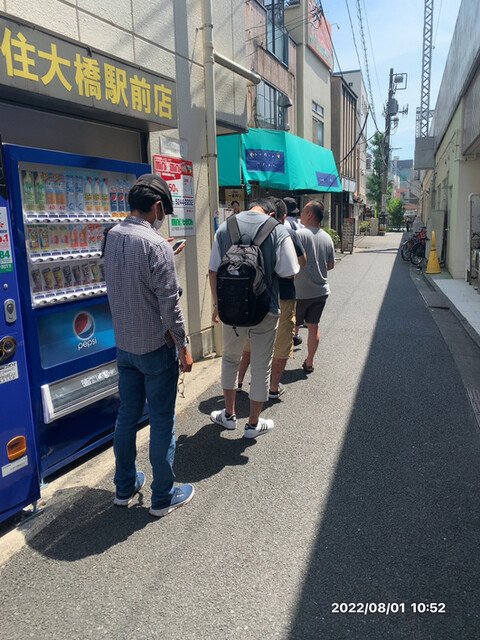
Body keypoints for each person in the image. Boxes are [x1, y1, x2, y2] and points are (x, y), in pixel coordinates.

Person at [103, 174, 195, 518]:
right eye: (163, 212)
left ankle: (124, 486)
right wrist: (183, 346)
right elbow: (170, 306)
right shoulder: (156, 246)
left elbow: (128, 277)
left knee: (127, 416)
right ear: (157, 206)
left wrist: (163, 250)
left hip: (124, 345)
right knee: (161, 420)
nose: (162, 217)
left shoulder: (112, 235)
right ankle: (163, 496)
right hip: (156, 347)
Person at [208, 197, 299, 437]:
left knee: (230, 359)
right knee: (261, 365)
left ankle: (228, 416)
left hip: (231, 311)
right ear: (271, 213)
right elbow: (289, 272)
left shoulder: (226, 226)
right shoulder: (277, 230)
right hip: (265, 309)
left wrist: (218, 305)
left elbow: (213, 270)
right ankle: (253, 424)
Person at [237, 198, 306, 399]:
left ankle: (238, 382)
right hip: (283, 295)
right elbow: (300, 263)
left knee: (250, 341)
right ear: (283, 216)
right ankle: (273, 387)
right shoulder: (288, 233)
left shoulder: (249, 232)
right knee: (282, 343)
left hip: (254, 295)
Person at [294, 200, 335, 374]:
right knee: (313, 326)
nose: (301, 215)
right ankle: (310, 362)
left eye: (303, 212)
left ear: (310, 214)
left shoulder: (299, 234)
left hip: (299, 291)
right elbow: (331, 265)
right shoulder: (327, 237)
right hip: (320, 290)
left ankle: (280, 364)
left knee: (289, 327)